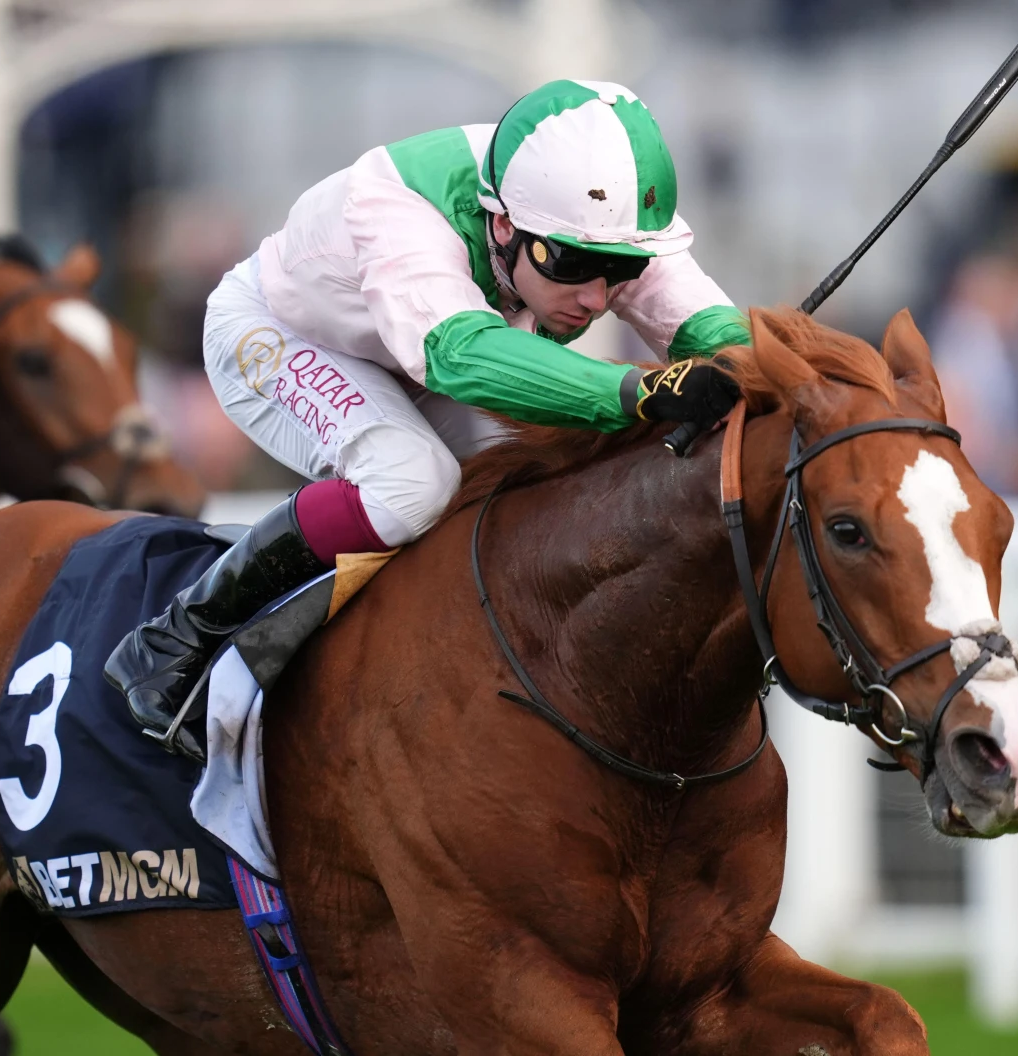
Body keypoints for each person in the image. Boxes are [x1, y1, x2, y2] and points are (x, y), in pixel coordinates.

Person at [108, 79, 749, 735]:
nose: (595, 296)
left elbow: (716, 333)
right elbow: (456, 355)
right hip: (277, 333)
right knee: (414, 484)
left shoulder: (583, 210)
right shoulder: (399, 210)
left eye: (619, 271)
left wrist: (765, 373)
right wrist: (637, 393)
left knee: (519, 496)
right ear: (503, 225)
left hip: (399, 356)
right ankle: (180, 637)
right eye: (576, 265)